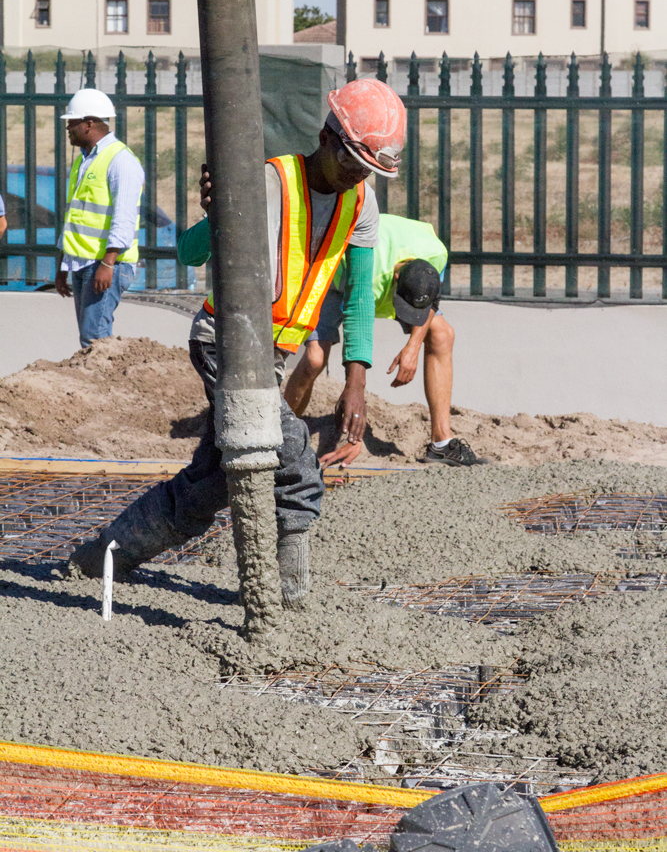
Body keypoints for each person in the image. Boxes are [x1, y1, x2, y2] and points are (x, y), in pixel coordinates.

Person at [68, 79, 407, 608]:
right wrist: (220, 208)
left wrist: (356, 378)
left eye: (369, 169)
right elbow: (189, 252)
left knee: (210, 484)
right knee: (294, 458)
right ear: (326, 137)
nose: (358, 175)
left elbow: (361, 292)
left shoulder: (361, 204)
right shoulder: (269, 181)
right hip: (221, 342)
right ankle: (288, 603)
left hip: (271, 357)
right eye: (353, 163)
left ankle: (104, 556)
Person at [285, 213, 487, 468]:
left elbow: (431, 301)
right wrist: (355, 425)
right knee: (316, 358)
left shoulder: (436, 255)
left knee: (443, 335)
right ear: (395, 280)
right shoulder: (373, 273)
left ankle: (441, 444)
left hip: (376, 276)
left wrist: (412, 349)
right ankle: (281, 439)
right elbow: (357, 332)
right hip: (331, 279)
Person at [54, 89, 144, 348]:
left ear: (89, 124)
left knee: (94, 339)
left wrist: (108, 263)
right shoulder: (84, 162)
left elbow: (123, 219)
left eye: (72, 123)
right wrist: (63, 265)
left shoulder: (120, 161)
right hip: (84, 262)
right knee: (90, 337)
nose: (68, 128)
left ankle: (102, 388)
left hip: (106, 263)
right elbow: (74, 217)